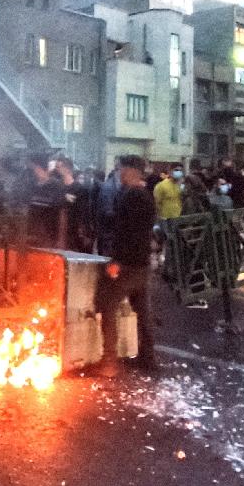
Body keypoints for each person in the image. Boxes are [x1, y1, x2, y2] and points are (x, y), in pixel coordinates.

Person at [91, 155, 158, 378]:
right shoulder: (145, 195)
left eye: (123, 170)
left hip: (127, 263)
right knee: (143, 311)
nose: (120, 174)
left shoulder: (133, 196)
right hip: (142, 263)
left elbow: (126, 232)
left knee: (107, 304)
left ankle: (109, 361)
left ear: (133, 172)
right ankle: (148, 357)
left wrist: (115, 261)